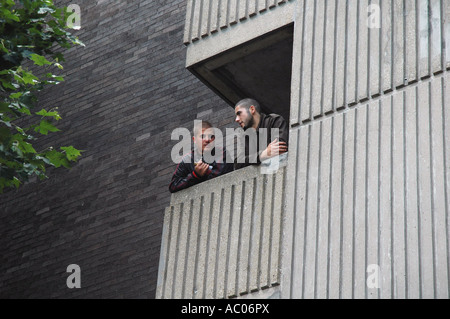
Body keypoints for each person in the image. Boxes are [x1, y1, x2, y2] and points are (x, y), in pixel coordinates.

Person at [169, 121, 234, 193]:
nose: (207, 140)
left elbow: (221, 178)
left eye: (211, 136)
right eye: (202, 136)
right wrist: (195, 175)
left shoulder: (222, 153)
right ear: (195, 140)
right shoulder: (187, 160)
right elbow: (173, 186)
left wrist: (198, 176)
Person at [234, 98, 288, 170]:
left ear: (252, 109)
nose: (236, 119)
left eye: (239, 113)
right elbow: (237, 163)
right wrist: (262, 155)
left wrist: (251, 158)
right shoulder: (244, 135)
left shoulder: (274, 120)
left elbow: (279, 149)